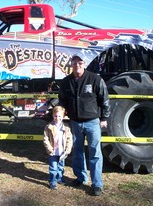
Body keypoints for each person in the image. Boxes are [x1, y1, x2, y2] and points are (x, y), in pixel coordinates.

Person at [58, 53, 110, 196]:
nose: (77, 65)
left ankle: (97, 183)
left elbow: (104, 99)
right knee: (77, 152)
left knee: (95, 153)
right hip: (75, 122)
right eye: (74, 63)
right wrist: (61, 114)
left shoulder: (95, 79)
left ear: (84, 64)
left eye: (80, 63)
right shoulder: (66, 82)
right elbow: (61, 99)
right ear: (71, 65)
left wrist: (104, 118)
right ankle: (81, 177)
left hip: (92, 122)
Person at [43, 106, 73, 190]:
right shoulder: (48, 127)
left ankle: (60, 178)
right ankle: (52, 181)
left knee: (60, 167)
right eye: (56, 116)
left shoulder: (66, 128)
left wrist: (68, 149)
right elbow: (45, 139)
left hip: (62, 152)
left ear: (63, 116)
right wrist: (49, 148)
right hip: (53, 152)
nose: (57, 118)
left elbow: (69, 139)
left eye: (60, 116)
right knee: (53, 168)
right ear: (53, 115)